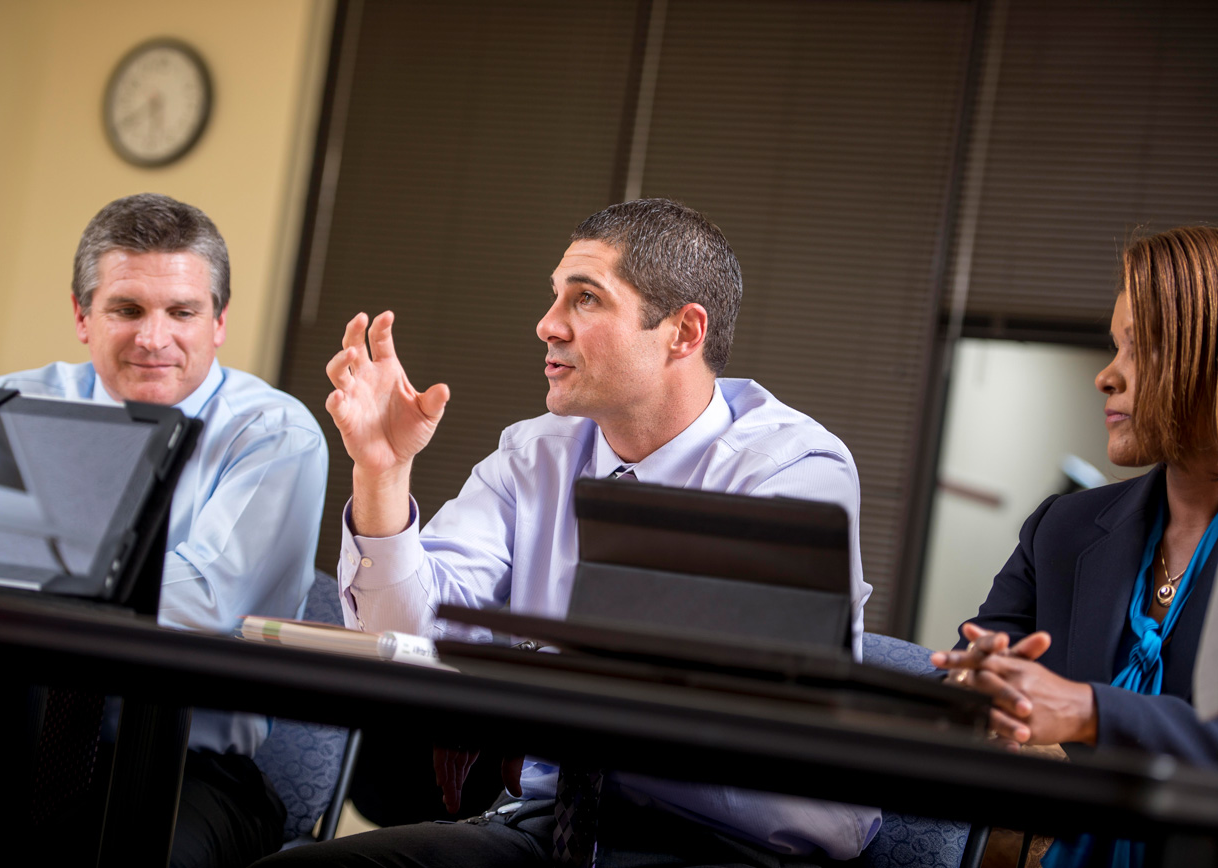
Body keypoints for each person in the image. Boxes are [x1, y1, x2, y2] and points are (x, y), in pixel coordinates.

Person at [255, 199, 877, 868]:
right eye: (556, 297)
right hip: (561, 827)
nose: (547, 325)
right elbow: (408, 630)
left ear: (682, 331)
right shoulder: (534, 453)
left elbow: (722, 686)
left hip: (737, 844)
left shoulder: (793, 467)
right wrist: (383, 472)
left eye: (585, 300)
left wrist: (517, 657)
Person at [0, 193, 329, 868]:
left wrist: (6, 551)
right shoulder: (11, 407)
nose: (153, 337)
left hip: (187, 768)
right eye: (127, 309)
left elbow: (200, 605)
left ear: (220, 320)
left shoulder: (272, 436)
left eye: (182, 312)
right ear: (82, 315)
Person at [931, 226, 1218, 867]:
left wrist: (1090, 711)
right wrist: (982, 688)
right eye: (1114, 347)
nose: (1105, 376)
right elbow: (974, 669)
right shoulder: (1061, 529)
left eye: (1138, 350)